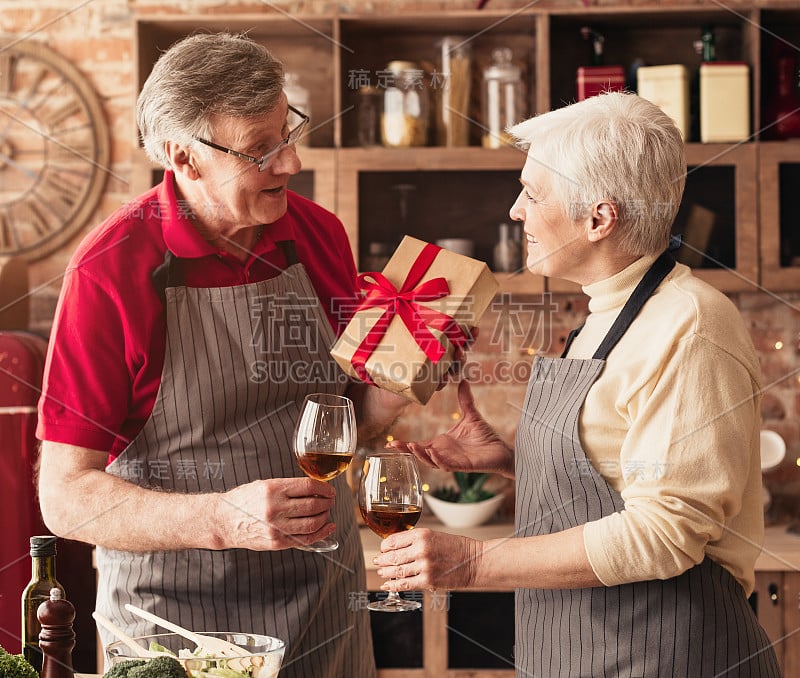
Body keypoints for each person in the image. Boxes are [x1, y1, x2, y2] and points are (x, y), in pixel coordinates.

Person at [36, 33, 409, 678]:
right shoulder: (109, 272)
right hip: (176, 629)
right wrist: (220, 517)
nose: (289, 162)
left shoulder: (319, 235)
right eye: (260, 148)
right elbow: (65, 498)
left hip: (323, 611)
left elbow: (351, 425)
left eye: (288, 130)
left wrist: (405, 377)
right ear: (184, 156)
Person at [379, 92, 781, 677]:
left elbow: (667, 532)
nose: (516, 211)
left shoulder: (690, 325)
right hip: (579, 651)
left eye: (532, 193)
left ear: (598, 218)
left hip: (663, 655)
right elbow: (628, 473)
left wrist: (471, 563)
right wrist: (519, 462)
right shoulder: (604, 317)